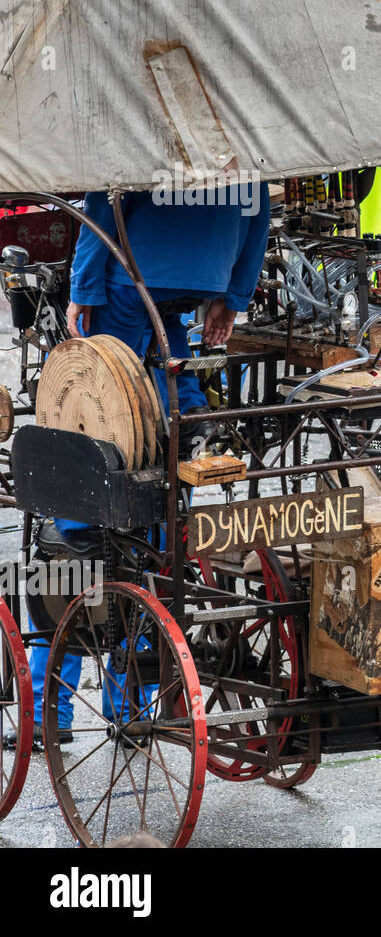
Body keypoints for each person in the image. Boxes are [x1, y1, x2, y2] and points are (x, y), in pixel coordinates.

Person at [11, 185, 270, 749]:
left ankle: (47, 713)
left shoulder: (138, 112)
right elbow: (259, 206)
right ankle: (130, 710)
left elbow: (104, 206)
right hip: (207, 270)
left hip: (141, 272)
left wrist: (81, 290)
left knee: (98, 426)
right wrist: (234, 293)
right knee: (164, 361)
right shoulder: (240, 139)